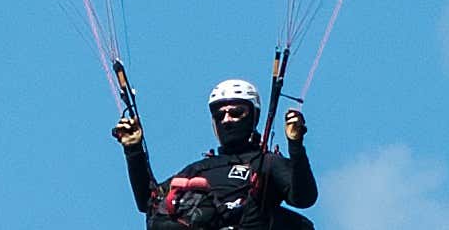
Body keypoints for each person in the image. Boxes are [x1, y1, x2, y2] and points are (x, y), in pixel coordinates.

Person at [114, 78, 315, 230]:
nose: (226, 120)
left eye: (236, 113)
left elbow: (304, 198)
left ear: (253, 117)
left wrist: (296, 145)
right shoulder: (198, 169)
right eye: (219, 115)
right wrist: (133, 150)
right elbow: (149, 203)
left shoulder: (268, 163)